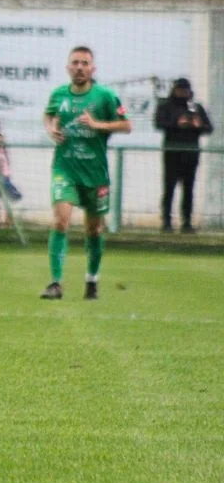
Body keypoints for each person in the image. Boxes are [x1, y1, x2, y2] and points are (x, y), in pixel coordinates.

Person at [42, 46, 132, 301]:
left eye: (84, 63)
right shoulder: (59, 94)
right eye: (75, 63)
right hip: (65, 169)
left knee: (94, 229)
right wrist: (51, 129)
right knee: (60, 220)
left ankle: (91, 281)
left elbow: (126, 125)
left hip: (95, 173)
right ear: (68, 67)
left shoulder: (105, 96)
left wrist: (97, 125)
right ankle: (55, 283)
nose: (79, 67)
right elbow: (49, 115)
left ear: (93, 68)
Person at [154, 78, 213, 233]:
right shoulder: (166, 106)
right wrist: (176, 123)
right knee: (169, 187)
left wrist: (198, 125)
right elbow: (159, 123)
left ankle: (186, 222)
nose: (182, 93)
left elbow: (209, 127)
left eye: (185, 91)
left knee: (189, 189)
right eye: (179, 90)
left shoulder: (195, 107)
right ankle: (166, 221)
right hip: (172, 153)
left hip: (191, 154)